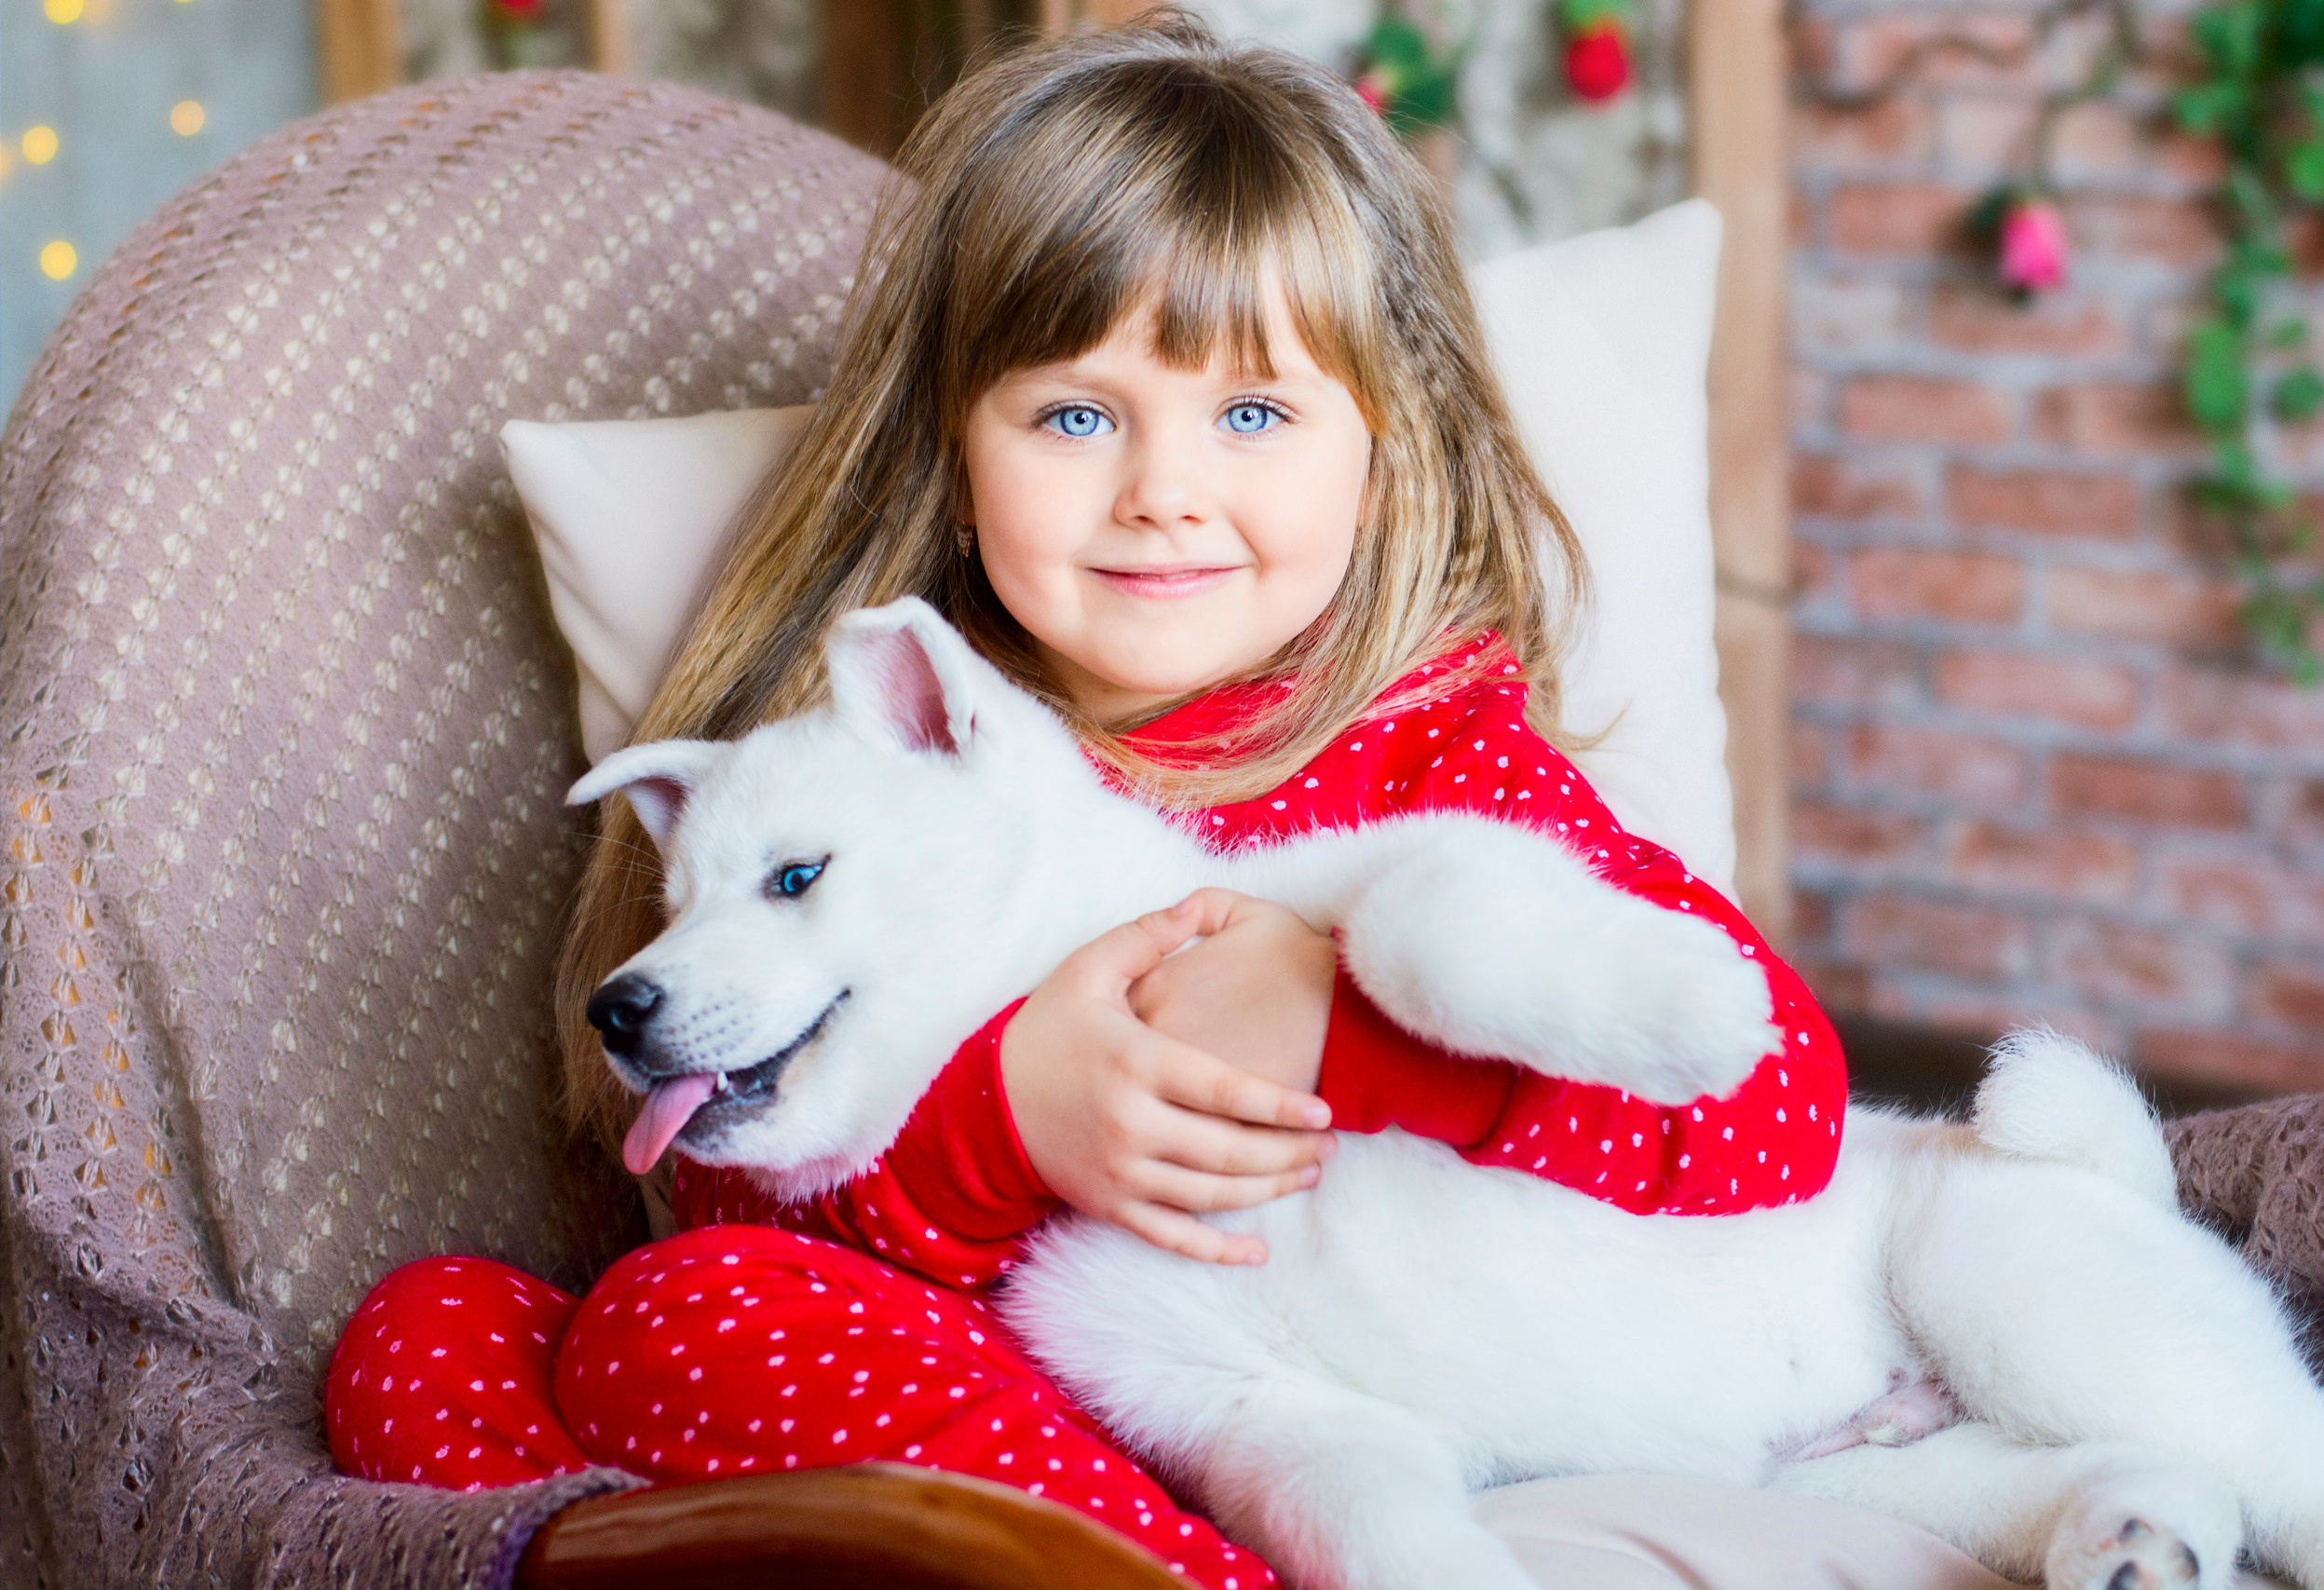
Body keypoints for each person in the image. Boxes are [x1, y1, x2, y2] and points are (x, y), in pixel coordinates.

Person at [323, 16, 1846, 1588]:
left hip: (1311, 1390)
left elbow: (1775, 1111)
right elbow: (720, 1206)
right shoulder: (865, 764)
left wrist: (1342, 1021)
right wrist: (1008, 1123)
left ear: (1383, 459)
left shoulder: (1435, 751)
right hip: (1005, 1415)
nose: (1161, 491)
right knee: (450, 1340)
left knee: (658, 1340)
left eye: (1252, 413)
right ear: (954, 451)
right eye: (1074, 415)